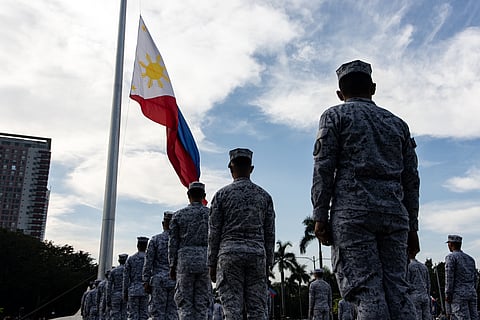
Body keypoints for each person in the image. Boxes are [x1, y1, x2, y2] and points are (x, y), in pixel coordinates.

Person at [311, 60, 420, 320]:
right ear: (373, 88)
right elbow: (412, 179)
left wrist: (319, 215)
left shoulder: (334, 116)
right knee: (399, 291)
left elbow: (324, 168)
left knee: (366, 291)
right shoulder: (398, 124)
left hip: (353, 215)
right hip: (395, 215)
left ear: (340, 94)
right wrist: (412, 226)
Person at [208, 148, 276, 319]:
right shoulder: (264, 196)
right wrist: (268, 262)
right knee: (258, 310)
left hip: (229, 255)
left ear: (231, 168)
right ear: (251, 168)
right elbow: (270, 232)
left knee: (232, 310)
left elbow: (214, 232)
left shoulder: (221, 195)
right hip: (256, 255)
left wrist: (211, 263)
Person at [168, 181, 211, 319]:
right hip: (205, 262)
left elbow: (173, 243)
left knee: (184, 303)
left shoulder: (178, 215)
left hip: (184, 262)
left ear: (188, 195)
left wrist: (172, 265)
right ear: (203, 195)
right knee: (201, 304)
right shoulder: (211, 214)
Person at [142, 212, 178, 320]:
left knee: (158, 313)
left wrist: (146, 281)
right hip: (174, 280)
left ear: (163, 224)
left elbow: (148, 262)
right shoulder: (179, 240)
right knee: (173, 313)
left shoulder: (155, 240)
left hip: (159, 281)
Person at [444, 234, 478, 320]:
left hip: (458, 295)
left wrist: (448, 294)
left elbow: (449, 277)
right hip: (471, 293)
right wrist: (472, 289)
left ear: (451, 244)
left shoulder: (451, 257)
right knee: (474, 317)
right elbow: (475, 278)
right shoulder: (470, 259)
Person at [124, 237, 149, 320]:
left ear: (137, 245)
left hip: (133, 290)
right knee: (144, 315)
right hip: (145, 289)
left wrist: (125, 292)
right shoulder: (149, 258)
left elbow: (126, 278)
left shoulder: (131, 259)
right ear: (146, 246)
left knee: (133, 315)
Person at [407, 250, 431, 320]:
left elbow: (407, 283)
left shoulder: (408, 266)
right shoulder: (424, 266)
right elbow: (428, 283)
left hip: (414, 296)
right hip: (425, 296)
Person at [107, 254, 128, 320]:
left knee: (116, 314)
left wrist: (108, 299)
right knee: (124, 314)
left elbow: (109, 286)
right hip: (126, 295)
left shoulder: (113, 271)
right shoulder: (129, 270)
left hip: (116, 295)